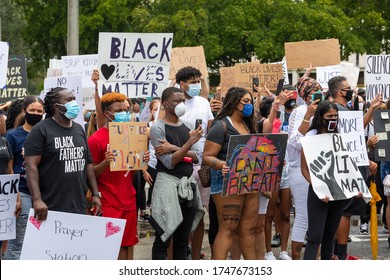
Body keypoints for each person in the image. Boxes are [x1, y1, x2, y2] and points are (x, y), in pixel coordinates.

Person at [24, 87, 102, 221]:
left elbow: (88, 164)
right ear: (56, 106)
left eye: (74, 99)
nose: (74, 103)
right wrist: (37, 199)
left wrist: (95, 193)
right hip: (50, 206)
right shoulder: (40, 130)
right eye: (69, 100)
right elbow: (31, 167)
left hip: (78, 204)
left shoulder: (78, 128)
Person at [88, 92, 149, 260]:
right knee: (110, 248)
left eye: (126, 109)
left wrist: (141, 162)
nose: (125, 113)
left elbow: (131, 172)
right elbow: (90, 173)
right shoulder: (95, 139)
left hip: (129, 199)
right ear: (108, 114)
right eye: (120, 110)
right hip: (108, 202)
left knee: (128, 244)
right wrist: (106, 162)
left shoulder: (132, 135)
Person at [328, 76, 381, 260]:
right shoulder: (337, 110)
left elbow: (356, 130)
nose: (351, 90)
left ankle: (336, 252)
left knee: (343, 211)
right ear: (340, 92)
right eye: (348, 88)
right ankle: (340, 254)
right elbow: (351, 139)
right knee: (345, 212)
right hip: (347, 168)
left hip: (348, 166)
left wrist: (372, 107)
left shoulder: (340, 109)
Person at [203, 87, 258, 260]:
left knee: (249, 230)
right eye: (246, 102)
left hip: (249, 180)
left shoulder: (248, 125)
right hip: (227, 180)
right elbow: (207, 156)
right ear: (235, 103)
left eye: (251, 102)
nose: (250, 106)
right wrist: (220, 164)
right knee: (228, 227)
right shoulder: (221, 126)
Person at [149, 87, 204, 260]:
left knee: (182, 239)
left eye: (182, 101)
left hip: (187, 187)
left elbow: (197, 157)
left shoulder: (187, 127)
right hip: (168, 186)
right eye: (176, 101)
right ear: (165, 104)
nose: (181, 104)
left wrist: (174, 148)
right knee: (163, 237)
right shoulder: (158, 128)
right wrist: (189, 143)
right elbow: (169, 162)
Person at [175, 66, 215, 259]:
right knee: (183, 213)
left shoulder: (203, 103)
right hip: (182, 165)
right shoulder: (175, 104)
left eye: (198, 81)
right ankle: (184, 251)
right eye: (193, 82)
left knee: (199, 214)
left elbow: (209, 130)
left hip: (202, 166)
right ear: (182, 84)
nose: (197, 85)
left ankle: (197, 254)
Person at [301, 101, 348, 260]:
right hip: (318, 193)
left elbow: (346, 165)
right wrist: (318, 188)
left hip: (337, 191)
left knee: (330, 235)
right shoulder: (311, 136)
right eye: (329, 116)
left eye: (335, 116)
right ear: (320, 117)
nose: (333, 119)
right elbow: (304, 169)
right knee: (315, 237)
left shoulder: (339, 136)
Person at [286, 76, 322, 259]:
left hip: (319, 167)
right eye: (315, 90)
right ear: (307, 95)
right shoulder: (299, 111)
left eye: (320, 89)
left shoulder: (324, 111)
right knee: (303, 216)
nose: (320, 93)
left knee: (319, 217)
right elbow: (294, 142)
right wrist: (308, 116)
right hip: (299, 169)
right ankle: (297, 260)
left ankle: (316, 259)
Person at [5, 96, 44, 260]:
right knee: (19, 243)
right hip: (23, 192)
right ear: (24, 111)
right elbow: (9, 168)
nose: (36, 113)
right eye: (32, 110)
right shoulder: (13, 136)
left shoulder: (46, 133)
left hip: (45, 194)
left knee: (39, 242)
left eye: (39, 111)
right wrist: (17, 197)